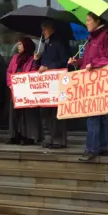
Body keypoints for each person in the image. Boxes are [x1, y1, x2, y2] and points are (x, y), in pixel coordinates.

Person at [68, 14, 108, 162]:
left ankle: (91, 149)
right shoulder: (91, 38)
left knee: (92, 115)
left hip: (100, 81)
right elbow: (88, 61)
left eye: (88, 20)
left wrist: (95, 64)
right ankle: (106, 147)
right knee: (100, 115)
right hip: (92, 81)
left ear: (97, 21)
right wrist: (77, 62)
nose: (86, 23)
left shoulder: (106, 36)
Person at [35, 21, 71, 149]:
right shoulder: (45, 44)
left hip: (57, 82)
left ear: (52, 29)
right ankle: (49, 138)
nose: (43, 32)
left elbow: (64, 61)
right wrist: (37, 61)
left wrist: (49, 67)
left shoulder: (59, 43)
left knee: (56, 112)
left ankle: (59, 140)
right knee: (46, 112)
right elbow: (43, 64)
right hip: (47, 84)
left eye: (44, 29)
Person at [7, 38, 42, 146]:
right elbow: (9, 71)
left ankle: (28, 136)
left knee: (26, 115)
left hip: (27, 91)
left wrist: (36, 62)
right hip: (15, 89)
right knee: (14, 114)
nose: (18, 46)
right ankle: (15, 135)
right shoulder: (15, 58)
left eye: (21, 44)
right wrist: (10, 84)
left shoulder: (33, 59)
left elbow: (34, 74)